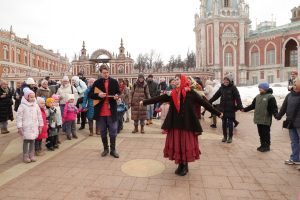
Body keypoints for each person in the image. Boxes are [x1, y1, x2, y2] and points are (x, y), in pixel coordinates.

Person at [140, 74, 222, 176]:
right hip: (175, 123)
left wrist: (218, 113)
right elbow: (159, 98)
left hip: (187, 124)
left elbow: (205, 103)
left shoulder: (192, 93)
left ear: (183, 80)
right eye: (175, 79)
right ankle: (180, 164)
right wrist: (144, 102)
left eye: (178, 79)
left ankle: (185, 165)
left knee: (185, 144)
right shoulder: (172, 93)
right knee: (177, 145)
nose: (176, 81)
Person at [89, 64, 120, 158]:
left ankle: (113, 150)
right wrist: (98, 95)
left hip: (111, 111)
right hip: (101, 112)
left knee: (113, 131)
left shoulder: (114, 81)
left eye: (107, 72)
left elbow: (118, 92)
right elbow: (91, 94)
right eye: (104, 73)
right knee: (102, 131)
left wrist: (117, 96)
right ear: (101, 73)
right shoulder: (97, 82)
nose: (106, 74)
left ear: (109, 72)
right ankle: (106, 149)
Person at [243, 82, 278, 152]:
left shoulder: (270, 97)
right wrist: (244, 109)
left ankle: (267, 146)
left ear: (265, 88)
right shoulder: (257, 96)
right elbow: (252, 105)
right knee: (260, 133)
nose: (259, 89)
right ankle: (262, 145)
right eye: (259, 88)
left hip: (266, 119)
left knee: (266, 133)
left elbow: (274, 108)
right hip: (259, 119)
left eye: (260, 88)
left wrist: (276, 115)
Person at [209, 75, 243, 143]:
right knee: (224, 122)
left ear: (230, 81)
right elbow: (216, 96)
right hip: (223, 108)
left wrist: (240, 106)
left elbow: (238, 98)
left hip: (231, 108)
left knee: (230, 123)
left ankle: (230, 137)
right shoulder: (222, 88)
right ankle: (224, 136)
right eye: (224, 81)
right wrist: (209, 101)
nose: (225, 82)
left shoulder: (233, 88)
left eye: (227, 81)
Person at [276, 77, 300, 166]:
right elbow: (284, 107)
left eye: (297, 85)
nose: (295, 87)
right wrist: (278, 116)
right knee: (294, 142)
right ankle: (295, 158)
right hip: (291, 122)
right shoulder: (289, 95)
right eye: (294, 85)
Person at [16, 89, 43, 163]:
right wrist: (19, 127)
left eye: (34, 97)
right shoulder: (22, 106)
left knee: (32, 141)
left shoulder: (36, 105)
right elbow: (19, 117)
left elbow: (39, 116)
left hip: (34, 126)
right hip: (26, 127)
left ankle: (32, 154)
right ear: (26, 97)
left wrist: (40, 125)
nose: (33, 98)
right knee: (26, 141)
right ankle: (25, 155)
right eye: (31, 97)